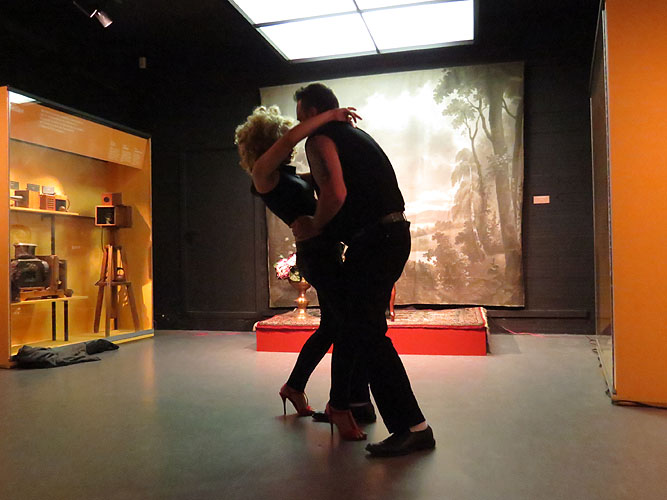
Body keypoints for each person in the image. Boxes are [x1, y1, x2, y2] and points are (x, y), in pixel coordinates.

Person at [291, 83, 436, 456]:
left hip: (376, 241)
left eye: (300, 117)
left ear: (312, 113)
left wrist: (314, 225)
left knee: (368, 331)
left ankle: (414, 427)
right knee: (357, 325)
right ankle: (355, 404)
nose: (298, 125)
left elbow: (335, 194)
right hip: (388, 236)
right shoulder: (354, 136)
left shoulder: (319, 139)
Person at [233, 105, 376, 424]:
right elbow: (290, 140)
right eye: (281, 137)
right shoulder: (263, 174)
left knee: (332, 326)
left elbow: (329, 182)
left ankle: (295, 387)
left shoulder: (287, 175)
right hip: (315, 256)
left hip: (325, 252)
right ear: (269, 141)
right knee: (345, 325)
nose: (290, 143)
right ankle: (342, 405)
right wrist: (330, 116)